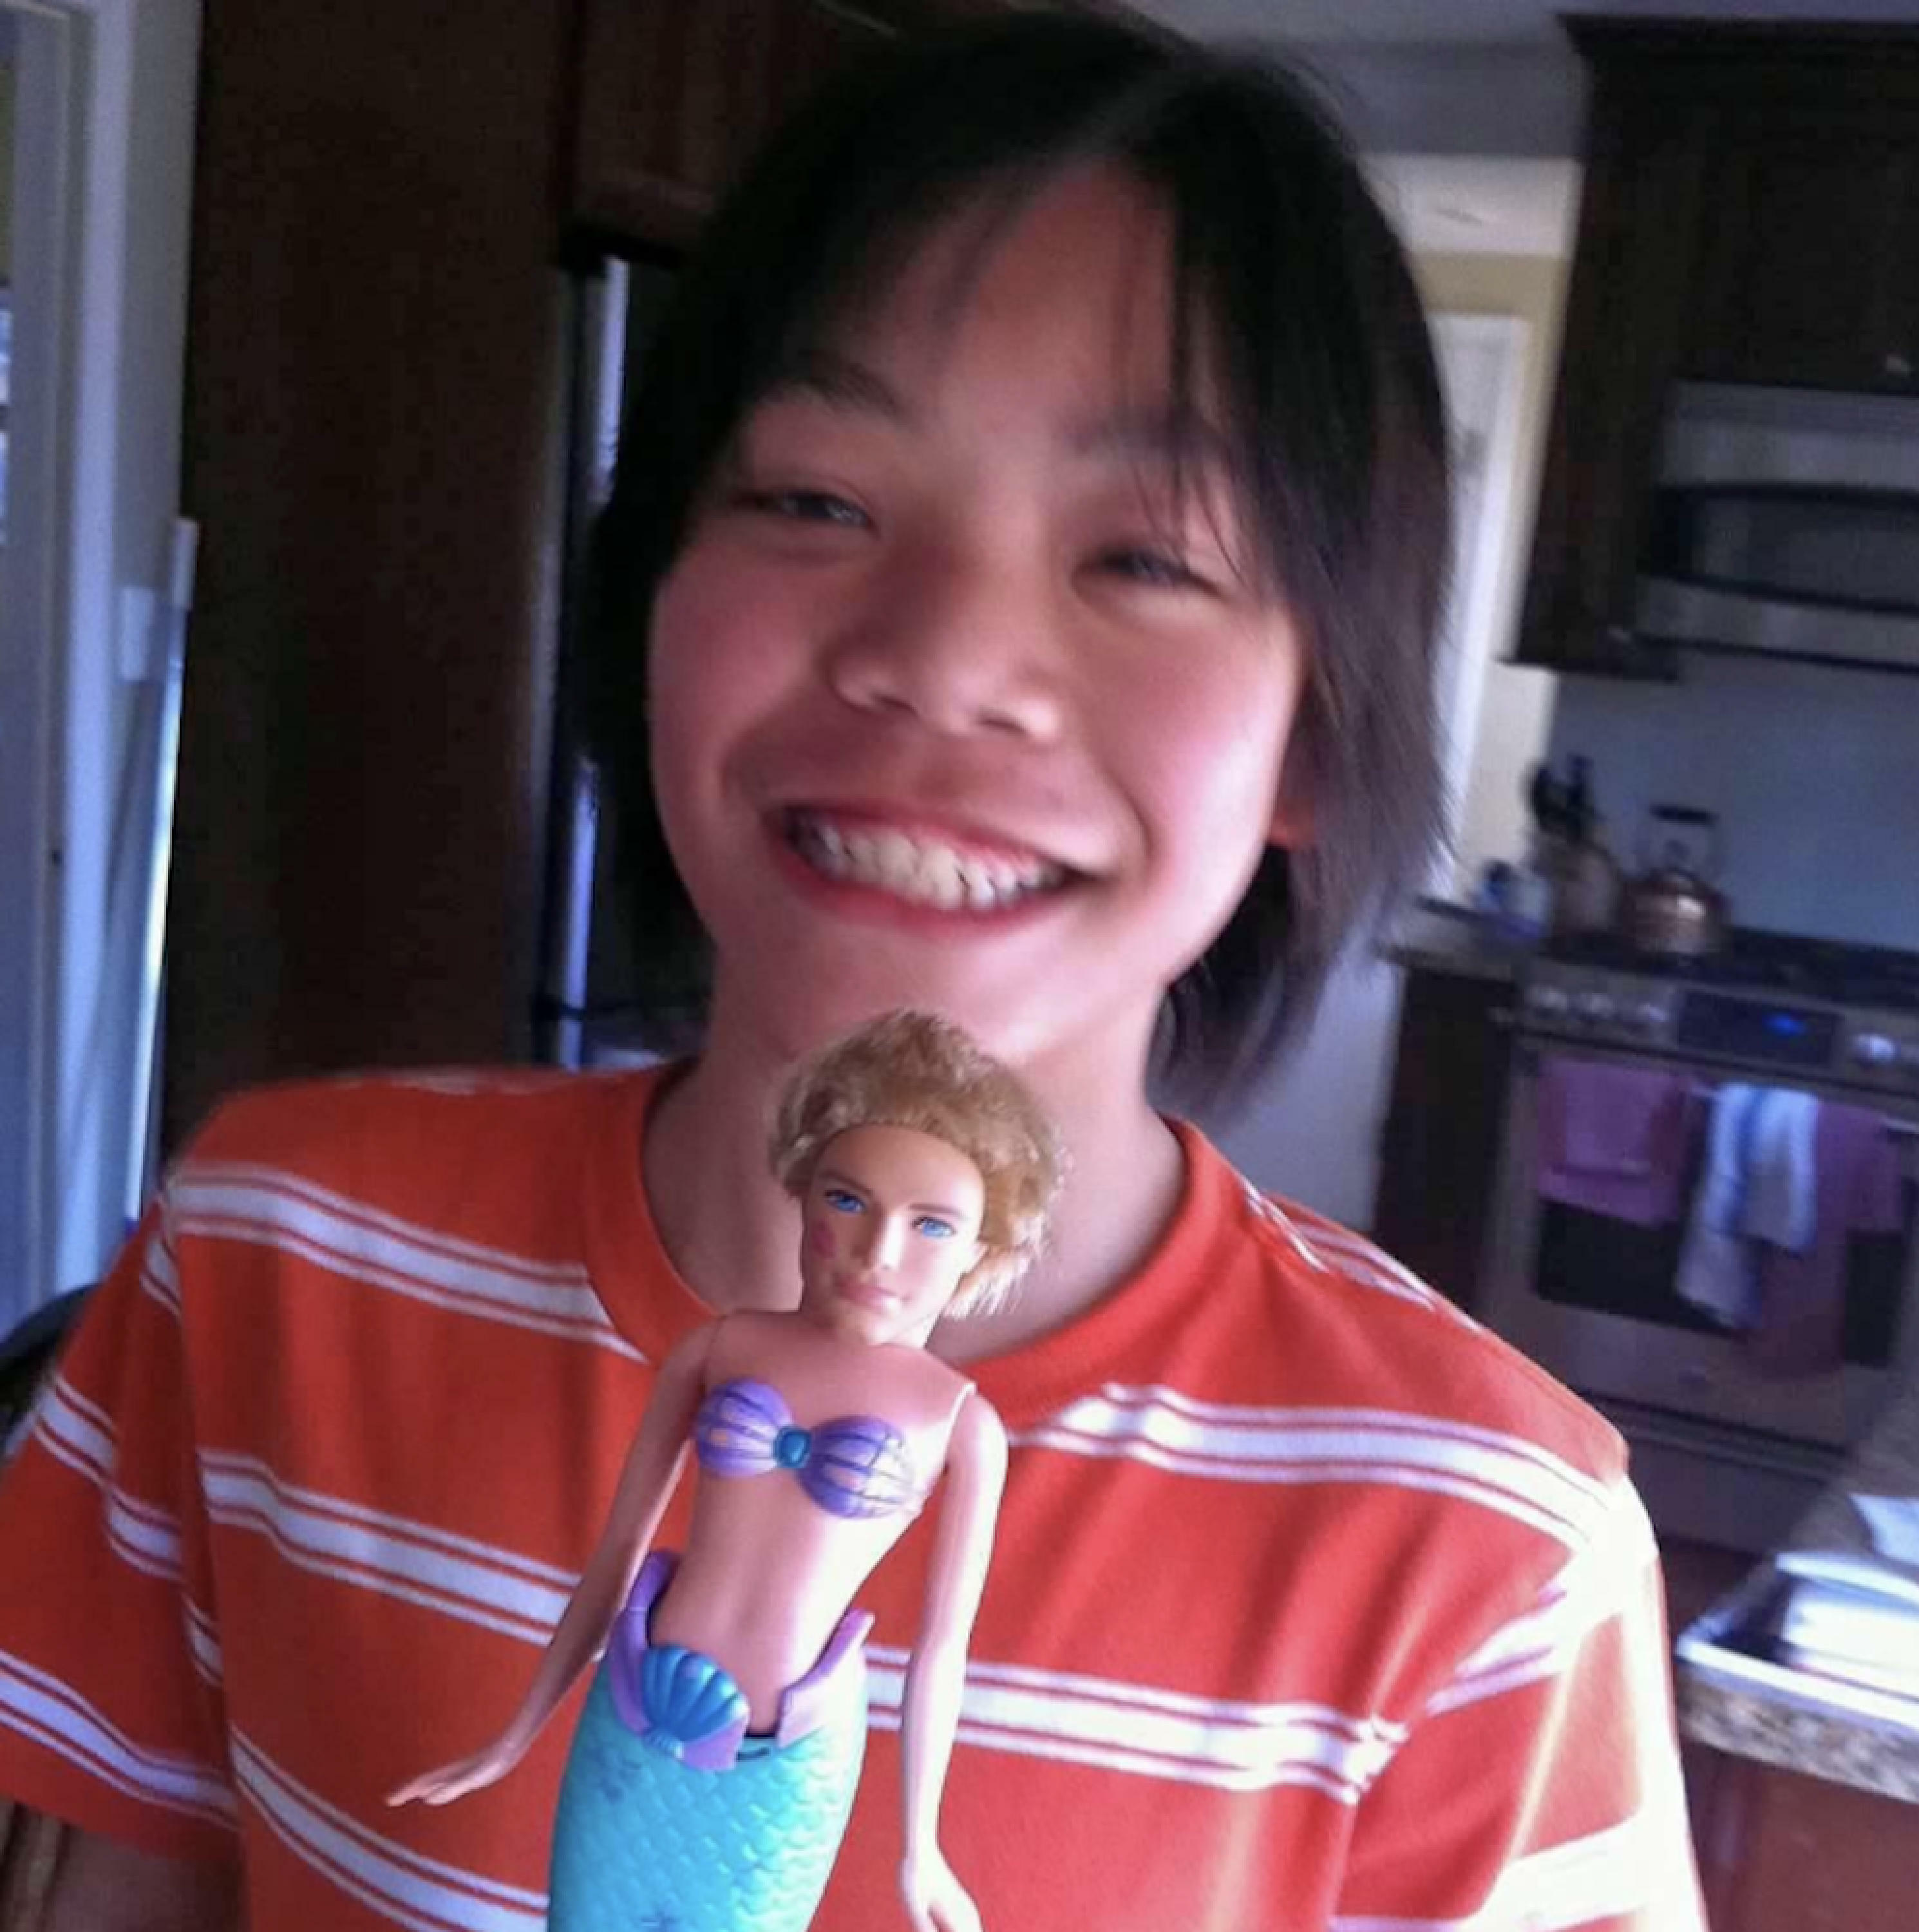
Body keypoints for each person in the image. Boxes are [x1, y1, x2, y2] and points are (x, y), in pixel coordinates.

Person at [0, 13, 1708, 1931]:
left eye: (1148, 557)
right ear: (647, 599)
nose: (945, 658)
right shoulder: (266, 1254)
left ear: (1317, 729)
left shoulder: (1495, 1551)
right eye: (816, 499)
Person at [388, 1009, 1063, 1932]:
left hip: (781, 1764)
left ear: (980, 1253)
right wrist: (516, 1734)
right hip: (633, 1711)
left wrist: (922, 1845)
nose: (880, 1252)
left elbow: (942, 1650)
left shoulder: (960, 1424)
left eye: (932, 1226)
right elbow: (617, 1553)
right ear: (802, 1195)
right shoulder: (719, 1348)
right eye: (847, 1202)